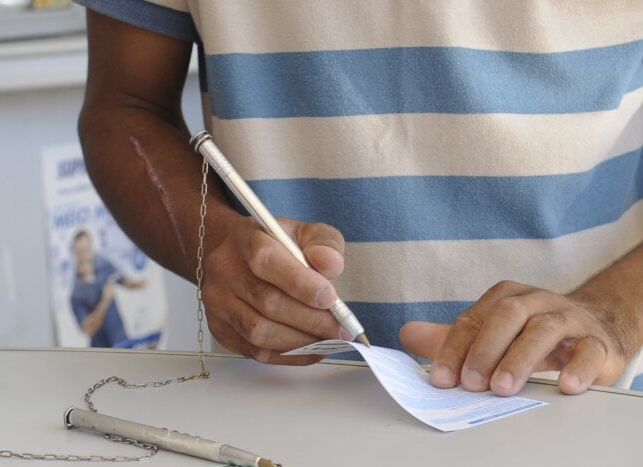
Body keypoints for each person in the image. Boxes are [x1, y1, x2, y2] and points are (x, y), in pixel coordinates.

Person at [74, 1, 643, 394]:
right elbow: (126, 107)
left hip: (589, 400)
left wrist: (614, 314)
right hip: (281, 405)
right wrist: (214, 242)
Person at [70, 229, 145, 347]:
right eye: (80, 251)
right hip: (101, 349)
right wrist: (104, 301)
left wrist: (138, 283)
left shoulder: (103, 264)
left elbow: (122, 279)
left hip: (120, 338)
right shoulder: (76, 293)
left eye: (86, 250)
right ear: (74, 253)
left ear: (91, 247)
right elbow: (87, 329)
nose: (84, 255)